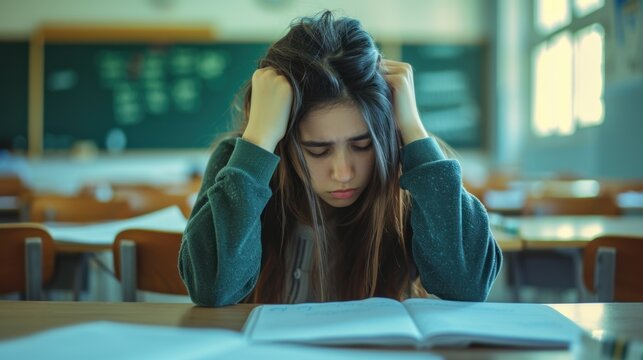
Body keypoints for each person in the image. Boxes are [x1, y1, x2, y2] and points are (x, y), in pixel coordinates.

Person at [179, 11, 502, 307]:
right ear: (283, 142)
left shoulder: (415, 164)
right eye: (317, 150)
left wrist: (413, 130)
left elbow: (467, 286)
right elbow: (213, 290)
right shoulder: (241, 162)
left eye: (362, 146)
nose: (344, 173)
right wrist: (259, 140)